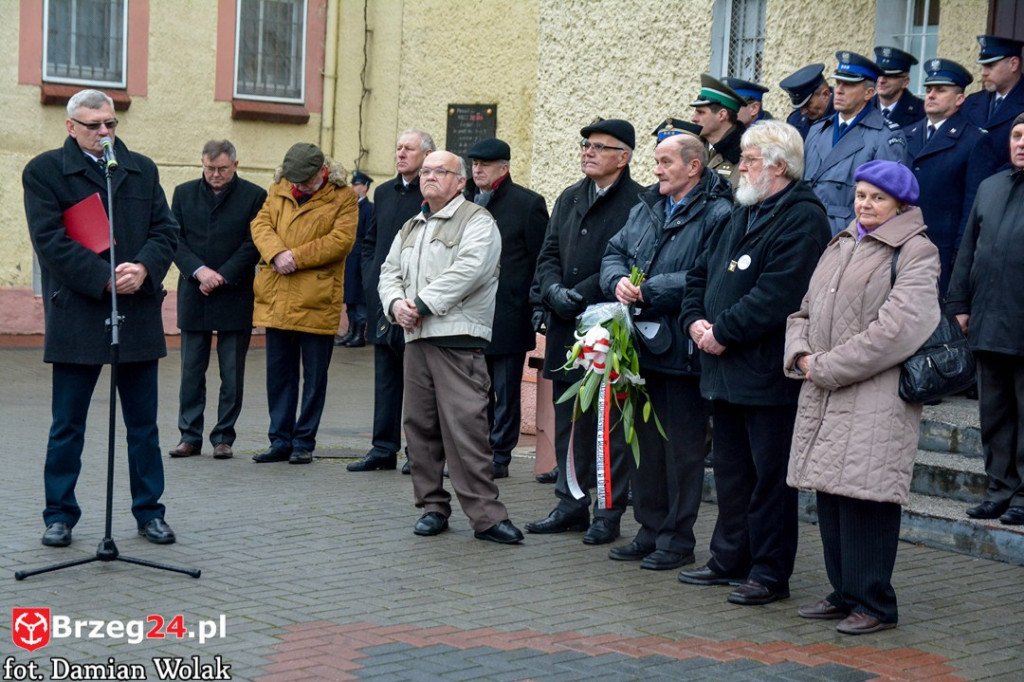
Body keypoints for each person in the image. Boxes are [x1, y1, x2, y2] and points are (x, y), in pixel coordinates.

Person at [785, 160, 940, 635]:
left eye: (877, 198)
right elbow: (804, 310)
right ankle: (844, 591)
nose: (865, 205)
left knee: (867, 498)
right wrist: (801, 353)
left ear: (901, 205)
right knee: (832, 495)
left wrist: (826, 367)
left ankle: (875, 603)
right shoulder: (842, 242)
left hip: (875, 393)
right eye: (860, 195)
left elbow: (898, 330)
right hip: (826, 388)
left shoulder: (917, 251)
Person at [679, 120, 831, 605]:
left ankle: (768, 572)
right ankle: (729, 559)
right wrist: (695, 323)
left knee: (769, 480)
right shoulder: (739, 211)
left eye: (748, 158)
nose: (738, 166)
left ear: (778, 166)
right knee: (730, 474)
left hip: (766, 374)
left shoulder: (802, 217)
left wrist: (724, 331)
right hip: (722, 370)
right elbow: (699, 275)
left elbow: (778, 294)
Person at [23, 89, 178, 546]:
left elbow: (165, 231)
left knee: (143, 425)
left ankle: (149, 511)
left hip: (135, 311)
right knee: (68, 424)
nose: (105, 132)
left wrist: (145, 266)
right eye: (94, 126)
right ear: (71, 127)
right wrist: (106, 278)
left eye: (110, 123)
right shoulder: (45, 171)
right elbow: (50, 241)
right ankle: (60, 514)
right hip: (79, 314)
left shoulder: (140, 170)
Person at [378, 150, 524, 544]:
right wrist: (396, 305)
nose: (428, 177)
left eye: (439, 171)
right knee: (420, 428)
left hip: (457, 338)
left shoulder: (477, 220)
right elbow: (389, 272)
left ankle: (487, 517)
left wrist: (420, 303)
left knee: (467, 429)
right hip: (415, 337)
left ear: (461, 182)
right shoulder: (412, 225)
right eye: (425, 171)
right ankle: (432, 506)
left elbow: (471, 270)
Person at [600, 133, 732, 571]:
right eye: (656, 161)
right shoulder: (648, 206)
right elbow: (614, 252)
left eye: (665, 162)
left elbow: (708, 275)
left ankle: (677, 541)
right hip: (639, 349)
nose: (655, 170)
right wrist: (617, 280)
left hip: (682, 352)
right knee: (647, 448)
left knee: (681, 453)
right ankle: (650, 530)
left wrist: (648, 291)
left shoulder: (718, 212)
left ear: (693, 168)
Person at [526, 118, 642, 545]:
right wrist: (552, 291)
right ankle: (570, 502)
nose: (587, 151)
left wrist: (582, 291)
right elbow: (549, 251)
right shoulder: (570, 196)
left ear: (623, 157)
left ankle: (607, 511)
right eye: (585, 144)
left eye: (599, 146)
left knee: (607, 423)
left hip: (606, 326)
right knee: (567, 419)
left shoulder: (638, 201)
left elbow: (633, 261)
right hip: (564, 323)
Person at [250, 143, 357, 465]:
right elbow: (260, 225)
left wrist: (294, 257)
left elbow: (340, 241)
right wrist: (276, 254)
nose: (298, 187)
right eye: (295, 181)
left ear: (322, 172)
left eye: (305, 182)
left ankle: (304, 441)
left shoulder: (344, 197)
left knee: (314, 376)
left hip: (316, 298)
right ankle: (279, 439)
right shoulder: (279, 188)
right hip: (278, 296)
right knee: (279, 374)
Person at [948, 112, 1024, 525]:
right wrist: (959, 305)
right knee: (994, 412)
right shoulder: (990, 187)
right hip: (989, 321)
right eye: (1016, 135)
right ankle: (1000, 489)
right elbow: (968, 251)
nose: (1021, 143)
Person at [170, 139, 266, 461]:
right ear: (202, 164)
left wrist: (222, 274)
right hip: (194, 291)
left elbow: (253, 243)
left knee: (231, 371)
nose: (215, 174)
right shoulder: (183, 194)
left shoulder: (254, 196)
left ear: (235, 166)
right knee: (191, 371)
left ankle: (224, 437)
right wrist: (200, 272)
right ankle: (189, 436)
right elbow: (174, 239)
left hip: (234, 292)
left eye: (222, 169)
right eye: (210, 168)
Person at [347, 130, 436, 474]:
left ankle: (419, 454)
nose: (400, 153)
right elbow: (370, 243)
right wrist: (372, 282)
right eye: (398, 147)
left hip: (419, 303)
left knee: (419, 383)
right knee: (385, 380)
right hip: (386, 301)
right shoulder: (383, 192)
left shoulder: (433, 192)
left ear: (426, 154)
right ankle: (383, 448)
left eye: (408, 148)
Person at [465, 138, 549, 479]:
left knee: (505, 389)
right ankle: (475, 449)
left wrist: (532, 305)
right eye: (474, 164)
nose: (478, 170)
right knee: (473, 389)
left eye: (485, 164)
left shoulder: (527, 204)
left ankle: (500, 455)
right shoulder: (465, 202)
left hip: (509, 314)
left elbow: (540, 260)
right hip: (470, 315)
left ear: (505, 167)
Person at [904, 59, 999, 297]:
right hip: (901, 241)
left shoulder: (974, 141)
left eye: (940, 90)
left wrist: (960, 252)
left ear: (959, 99)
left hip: (941, 249)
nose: (931, 95)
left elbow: (973, 205)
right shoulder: (907, 135)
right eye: (928, 90)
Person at [961, 35, 1024, 170]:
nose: (984, 73)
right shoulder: (971, 102)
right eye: (983, 66)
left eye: (990, 66)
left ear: (1013, 64)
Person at [336, 170, 374, 348]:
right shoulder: (351, 206)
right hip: (350, 257)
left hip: (360, 257)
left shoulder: (368, 208)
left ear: (365, 188)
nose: (353, 187)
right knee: (350, 296)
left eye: (356, 184)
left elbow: (368, 235)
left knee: (359, 297)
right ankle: (350, 331)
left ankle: (359, 333)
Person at [690, 74, 747, 188]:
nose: (693, 118)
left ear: (721, 115)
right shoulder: (691, 149)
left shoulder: (746, 154)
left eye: (701, 113)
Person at [872, 46, 924, 127]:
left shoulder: (922, 111)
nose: (881, 81)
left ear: (905, 81)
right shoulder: (861, 108)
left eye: (889, 76)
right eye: (878, 74)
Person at [780, 63, 835, 140]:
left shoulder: (843, 117)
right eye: (800, 107)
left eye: (807, 105)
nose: (803, 112)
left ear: (825, 95)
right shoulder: (795, 121)